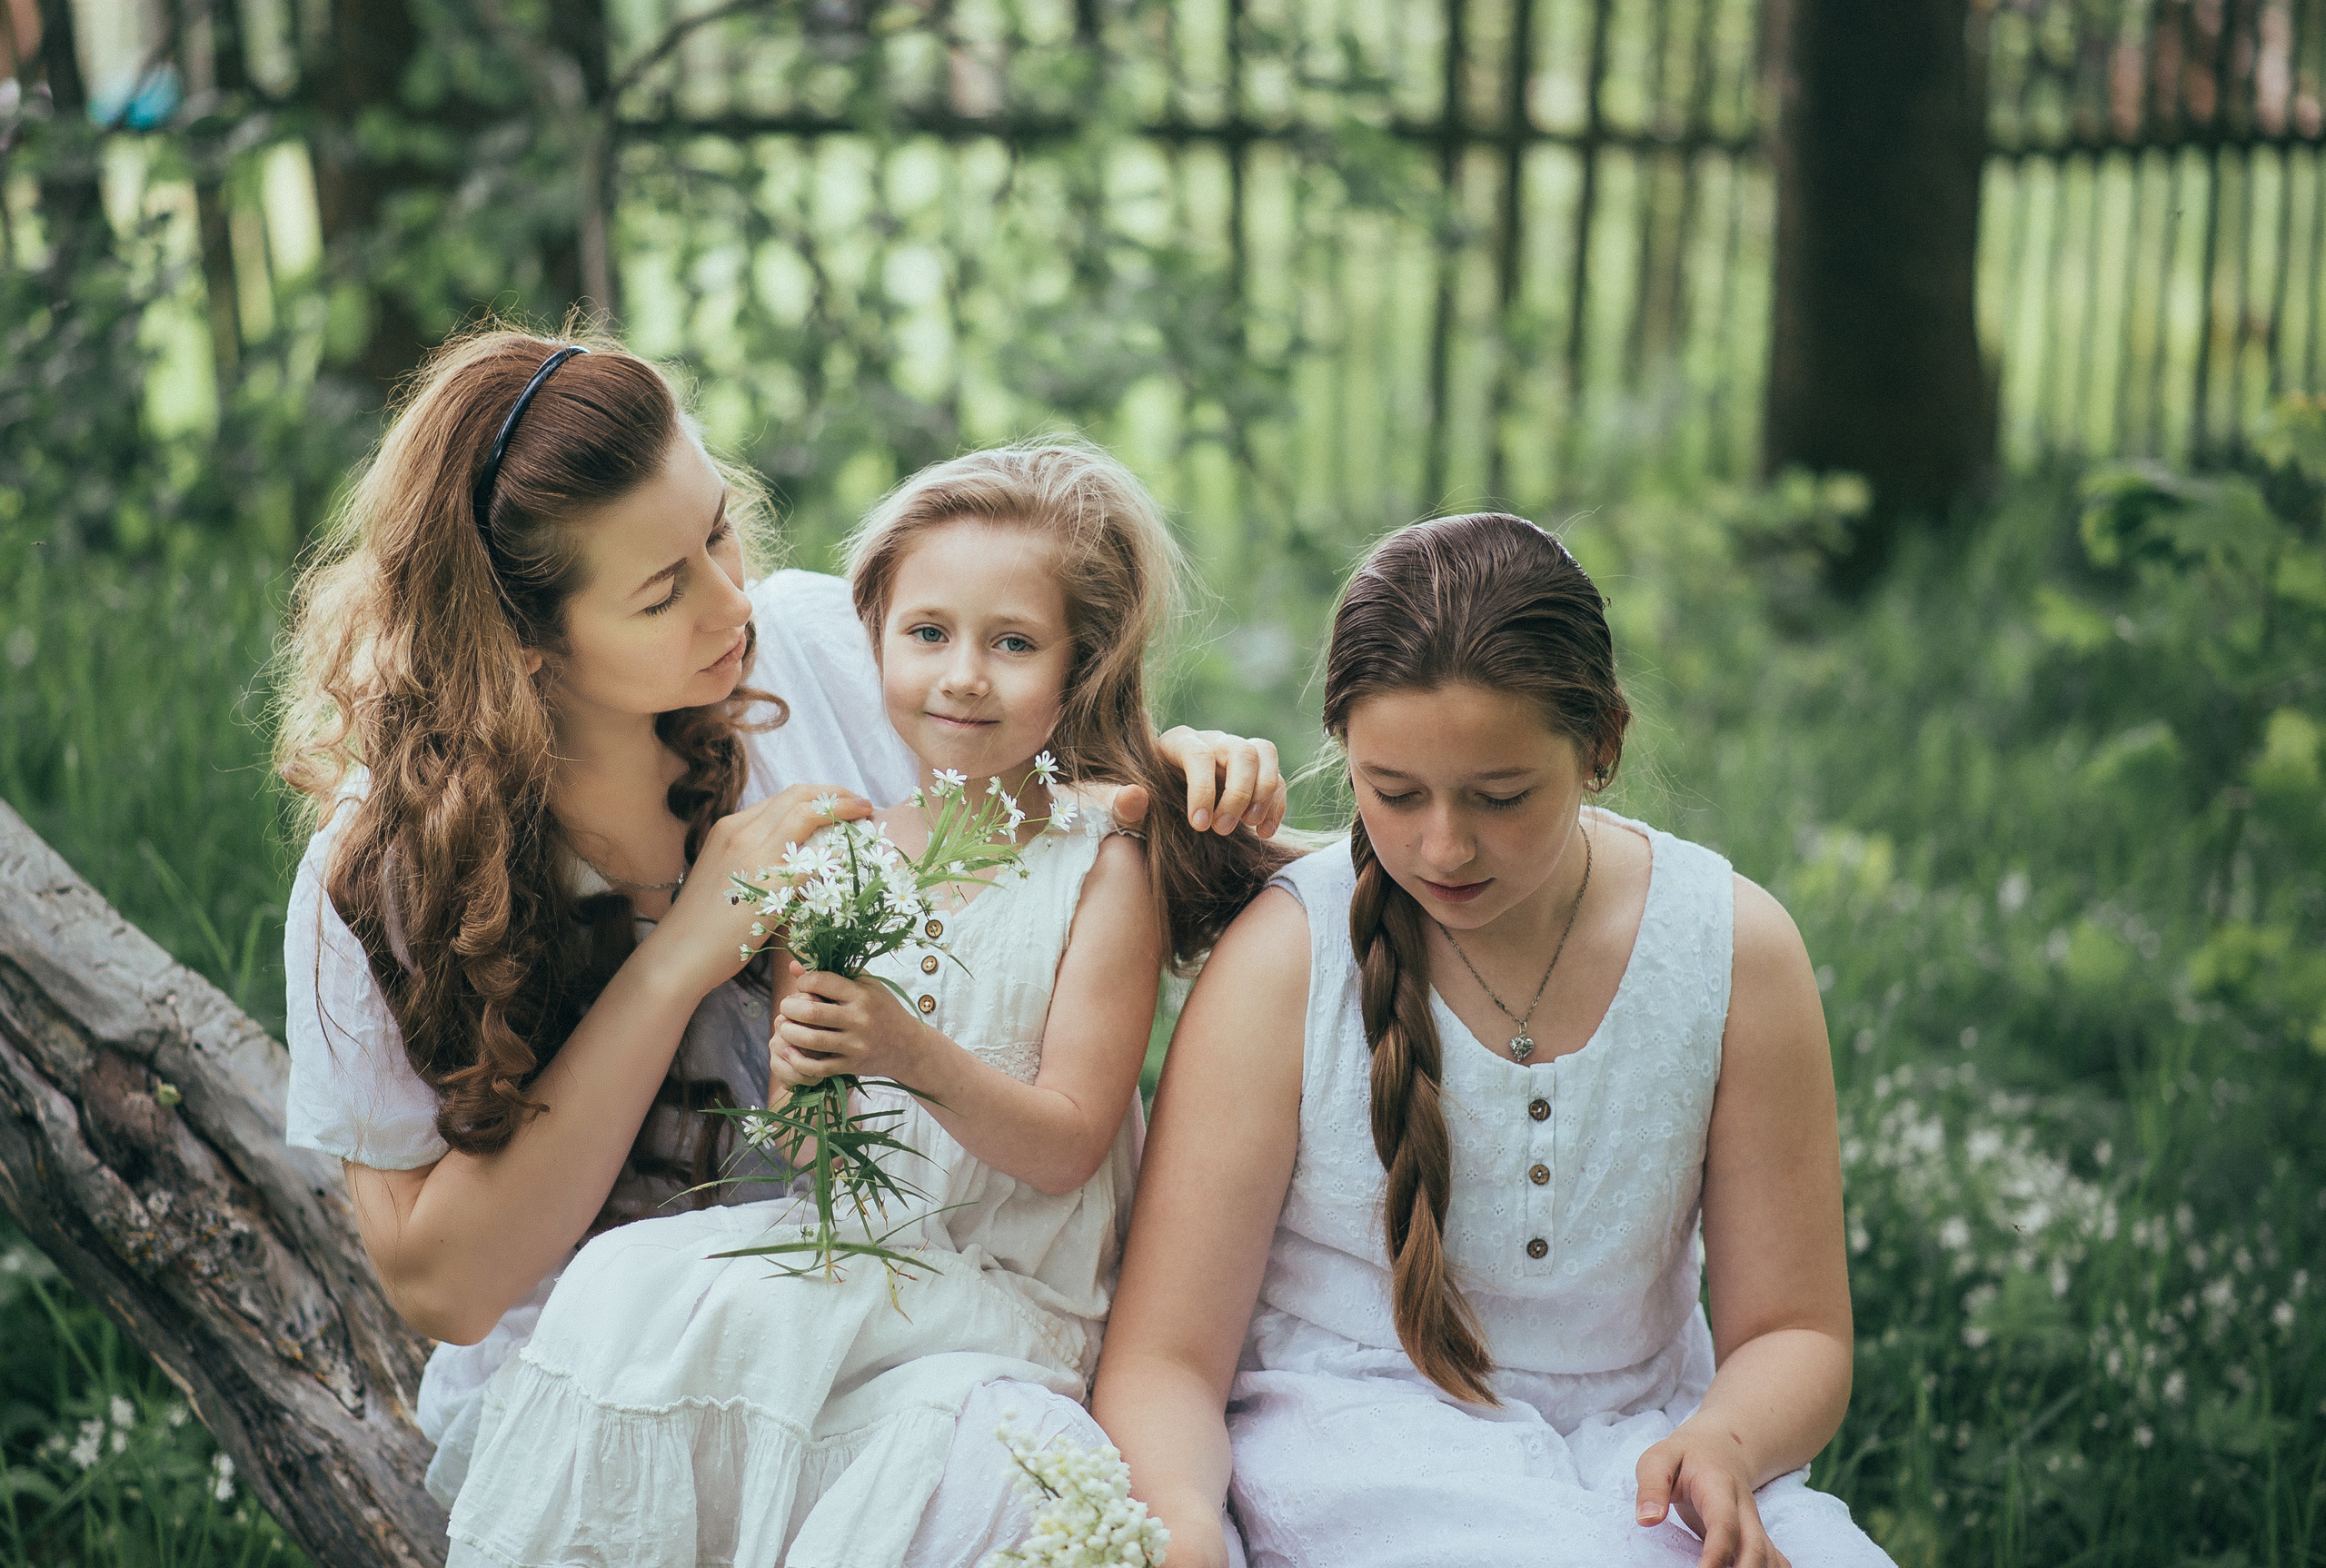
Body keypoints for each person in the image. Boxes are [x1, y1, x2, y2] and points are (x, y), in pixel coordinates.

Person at [273, 330, 1288, 1536]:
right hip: (629, 1375)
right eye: (663, 590)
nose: (729, 598)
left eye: (715, 529)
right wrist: (683, 954)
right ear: (523, 641)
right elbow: (440, 1282)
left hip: (940, 1302)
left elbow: (1045, 815)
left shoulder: (809, 652)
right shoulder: (384, 870)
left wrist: (1180, 773)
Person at [1090, 513, 1895, 1568]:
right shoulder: (1287, 959)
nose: (1443, 845)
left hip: (1648, 1449)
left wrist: (1724, 1441)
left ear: (1601, 742)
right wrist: (1187, 1525)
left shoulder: (1731, 948)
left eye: (1500, 797)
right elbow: (1165, 1357)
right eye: (1392, 793)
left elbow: (1795, 1330)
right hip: (1360, 1451)